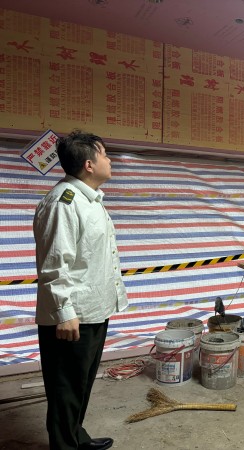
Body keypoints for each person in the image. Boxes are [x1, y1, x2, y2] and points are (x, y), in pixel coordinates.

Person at [34, 130, 128, 450]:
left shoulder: (91, 200)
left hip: (93, 310)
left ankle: (77, 439)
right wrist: (64, 312)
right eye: (105, 155)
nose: (110, 160)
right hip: (72, 316)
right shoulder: (63, 203)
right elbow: (54, 263)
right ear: (89, 165)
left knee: (81, 385)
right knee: (66, 391)